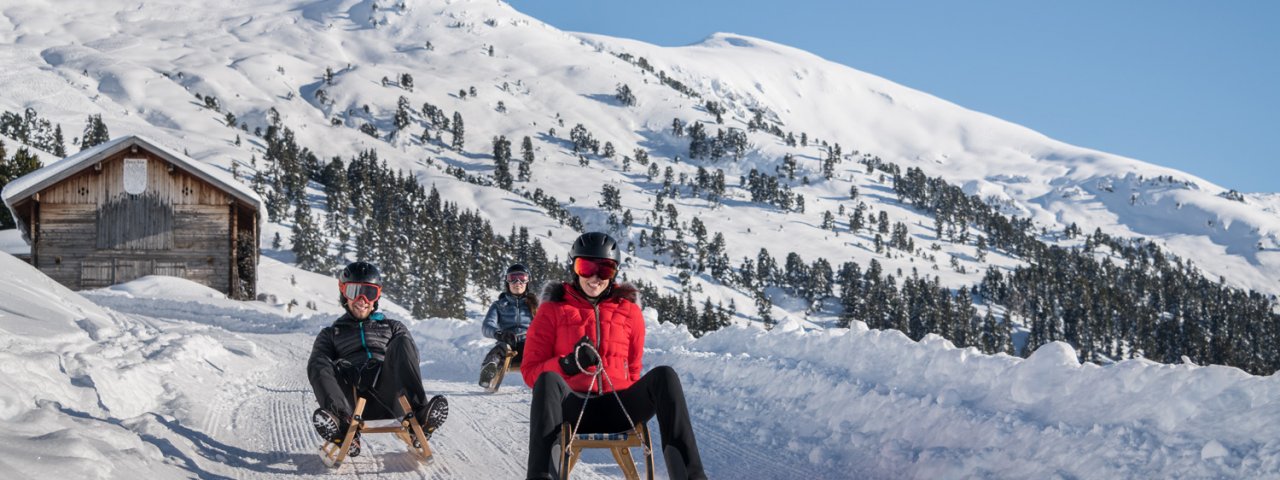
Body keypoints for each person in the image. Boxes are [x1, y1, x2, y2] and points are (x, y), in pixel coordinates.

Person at [522, 232, 707, 480]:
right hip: (573, 409)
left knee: (665, 375)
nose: (595, 278)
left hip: (620, 409)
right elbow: (530, 372)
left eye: (605, 269)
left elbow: (633, 369)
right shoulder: (552, 310)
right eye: (586, 267)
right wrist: (568, 365)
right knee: (546, 380)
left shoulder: (629, 312)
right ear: (574, 268)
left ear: (615, 272)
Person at [307, 261, 447, 455]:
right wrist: (343, 366)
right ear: (344, 294)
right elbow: (319, 368)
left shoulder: (393, 326)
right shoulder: (331, 333)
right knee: (318, 361)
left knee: (402, 343)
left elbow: (409, 356)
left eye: (369, 292)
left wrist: (380, 365)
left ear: (377, 296)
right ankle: (342, 426)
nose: (362, 299)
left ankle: (419, 418)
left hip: (391, 397)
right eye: (355, 291)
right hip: (351, 401)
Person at [479, 263, 539, 388]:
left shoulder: (535, 305)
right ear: (507, 282)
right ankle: (489, 370)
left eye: (522, 278)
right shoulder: (499, 305)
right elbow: (486, 326)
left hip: (530, 347)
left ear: (527, 281)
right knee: (502, 348)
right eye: (513, 278)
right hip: (508, 346)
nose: (518, 282)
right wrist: (499, 334)